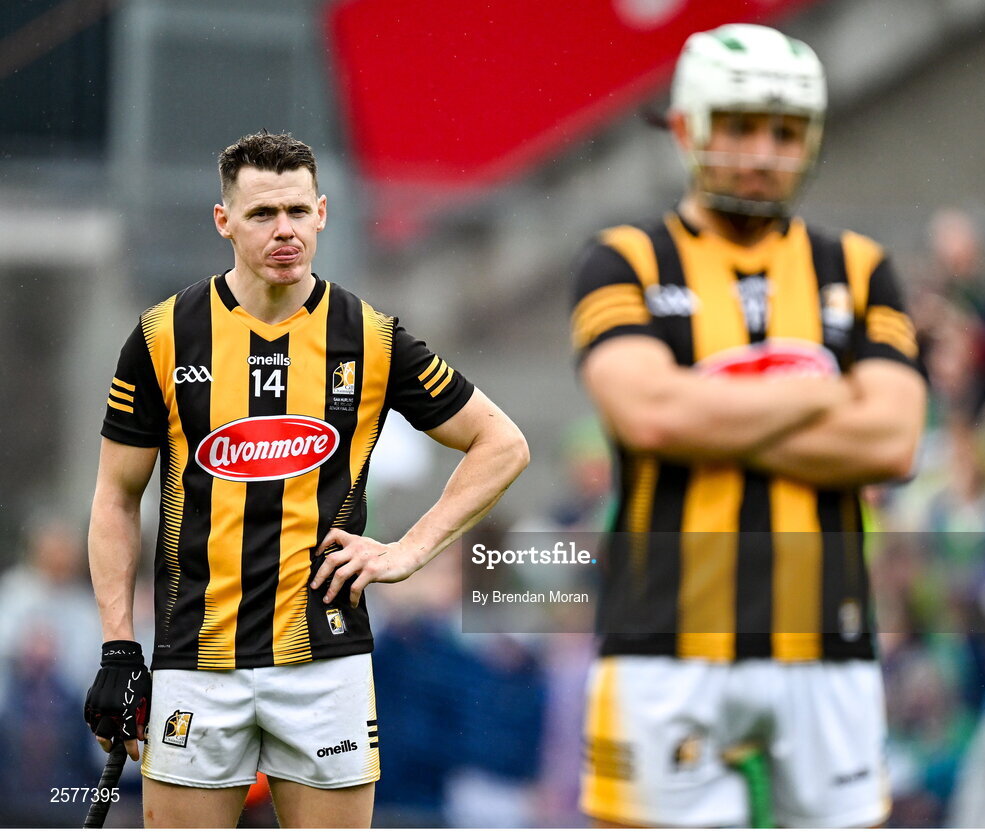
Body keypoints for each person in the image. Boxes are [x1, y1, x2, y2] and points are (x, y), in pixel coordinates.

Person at [83, 130, 529, 828]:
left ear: (323, 212)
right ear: (223, 221)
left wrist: (407, 551)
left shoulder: (371, 337)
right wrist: (117, 645)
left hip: (326, 664)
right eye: (262, 214)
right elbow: (114, 496)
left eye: (297, 210)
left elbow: (501, 444)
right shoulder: (162, 336)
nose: (283, 229)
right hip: (196, 660)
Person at [570, 24, 926, 828]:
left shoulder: (862, 268)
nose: (762, 152)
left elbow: (893, 441)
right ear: (688, 126)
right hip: (662, 638)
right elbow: (648, 416)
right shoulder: (623, 258)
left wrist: (708, 410)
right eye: (737, 125)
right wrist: (823, 396)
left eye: (784, 131)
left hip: (828, 640)